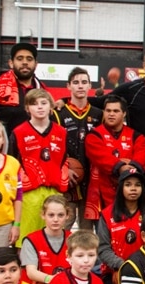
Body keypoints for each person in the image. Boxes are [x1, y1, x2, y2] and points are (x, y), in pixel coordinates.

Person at [8, 89, 69, 247]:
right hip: (29, 195)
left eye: (44, 103)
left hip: (54, 192)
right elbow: (12, 163)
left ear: (51, 107)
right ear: (27, 109)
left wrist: (63, 180)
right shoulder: (18, 132)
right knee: (25, 241)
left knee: (53, 241)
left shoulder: (62, 132)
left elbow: (65, 160)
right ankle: (25, 271)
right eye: (34, 104)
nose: (40, 107)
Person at [84, 95, 145, 222]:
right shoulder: (94, 135)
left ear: (124, 113)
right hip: (101, 195)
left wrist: (131, 167)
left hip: (130, 196)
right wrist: (121, 166)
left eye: (116, 111)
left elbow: (142, 157)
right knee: (103, 236)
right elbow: (101, 157)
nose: (111, 114)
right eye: (108, 111)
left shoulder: (136, 136)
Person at [53, 67, 103, 231]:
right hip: (65, 180)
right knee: (60, 227)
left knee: (86, 231)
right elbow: (51, 146)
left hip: (91, 182)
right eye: (76, 82)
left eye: (84, 82)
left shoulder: (98, 115)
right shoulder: (58, 113)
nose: (80, 86)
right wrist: (65, 167)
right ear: (69, 86)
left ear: (90, 86)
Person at [97, 167, 145, 284]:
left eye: (137, 185)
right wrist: (122, 266)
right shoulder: (107, 215)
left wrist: (138, 269)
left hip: (144, 272)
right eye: (128, 184)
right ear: (120, 188)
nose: (133, 189)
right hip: (114, 271)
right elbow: (103, 248)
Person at [0, 43, 46, 135]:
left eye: (29, 59)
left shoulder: (41, 88)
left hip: (32, 145)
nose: (25, 62)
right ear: (11, 63)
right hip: (3, 146)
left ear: (35, 64)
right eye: (20, 58)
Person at [20, 195, 70, 284]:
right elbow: (31, 272)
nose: (56, 219)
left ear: (67, 216)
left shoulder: (73, 239)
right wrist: (53, 280)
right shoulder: (31, 240)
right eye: (51, 215)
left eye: (60, 215)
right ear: (43, 215)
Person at [0, 119, 22, 251]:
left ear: (3, 140)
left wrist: (16, 225)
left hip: (2, 225)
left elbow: (18, 197)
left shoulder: (12, 163)